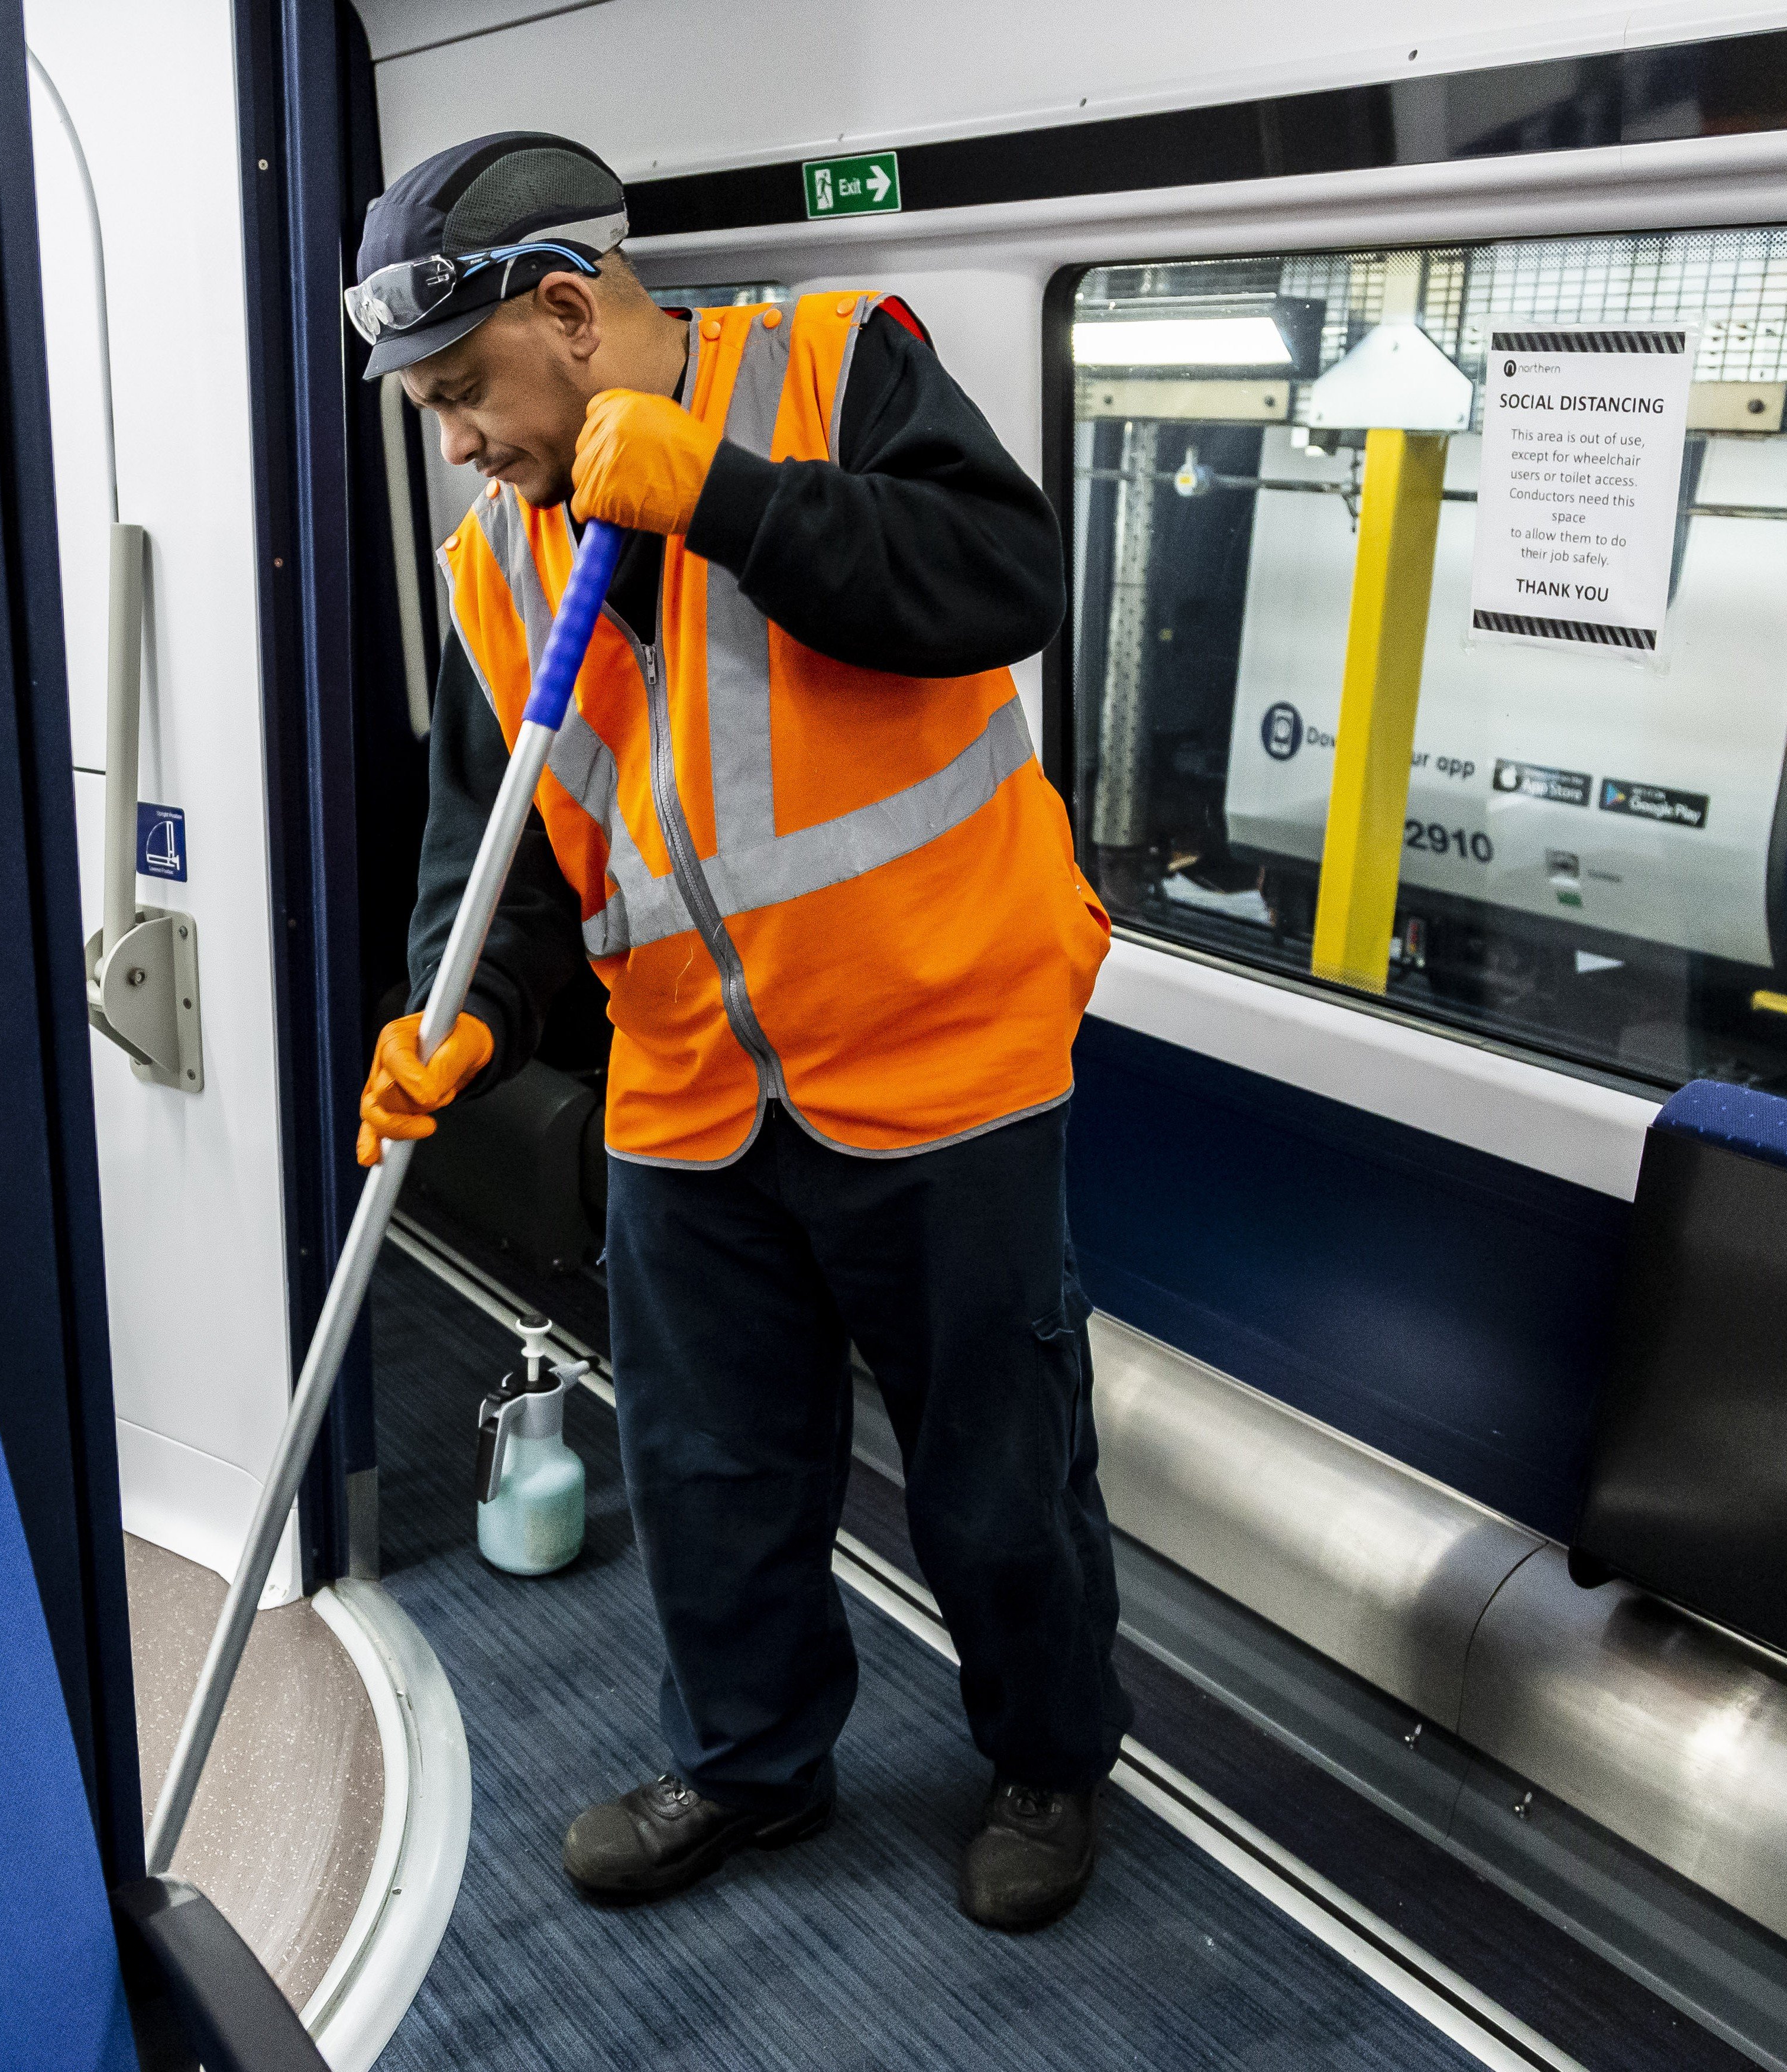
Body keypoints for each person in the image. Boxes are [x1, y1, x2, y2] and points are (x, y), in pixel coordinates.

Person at [347, 132, 1128, 1933]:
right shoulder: (493, 566)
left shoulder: (835, 363)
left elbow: (997, 586)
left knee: (996, 1467)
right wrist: (454, 1021)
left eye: (467, 392)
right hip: (690, 1088)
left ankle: (1044, 1754)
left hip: (938, 1057)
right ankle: (752, 1764)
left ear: (568, 308)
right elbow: (505, 859)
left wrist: (731, 497)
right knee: (705, 1473)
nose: (459, 442)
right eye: (430, 410)